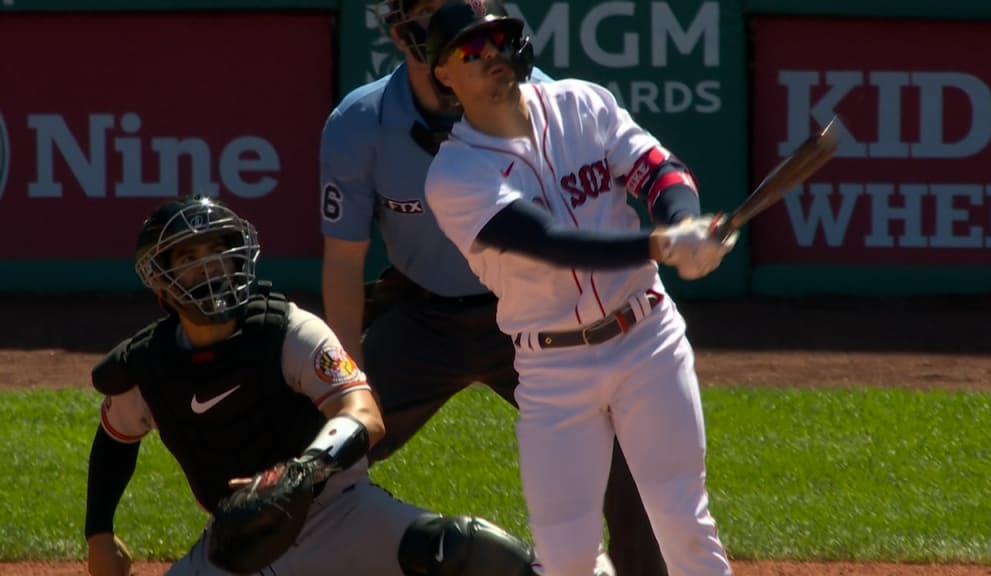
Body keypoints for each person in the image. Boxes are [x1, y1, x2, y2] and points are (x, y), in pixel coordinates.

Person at [319, 1, 663, 573]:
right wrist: (346, 388)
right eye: (427, 13)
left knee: (630, 451)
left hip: (538, 317)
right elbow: (342, 263)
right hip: (421, 318)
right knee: (321, 451)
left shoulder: (544, 101)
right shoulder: (358, 123)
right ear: (401, 33)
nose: (442, 24)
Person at [422, 1, 737, 574]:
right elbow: (548, 241)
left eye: (499, 40)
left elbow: (658, 169)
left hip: (648, 341)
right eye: (472, 48)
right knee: (565, 558)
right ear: (443, 72)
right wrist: (663, 246)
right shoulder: (455, 173)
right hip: (553, 370)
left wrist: (682, 219)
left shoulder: (581, 104)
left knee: (683, 523)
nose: (491, 55)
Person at [83, 195, 556, 576]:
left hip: (339, 511)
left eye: (218, 251)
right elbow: (114, 438)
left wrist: (302, 471)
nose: (210, 267)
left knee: (462, 551)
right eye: (189, 257)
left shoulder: (286, 330)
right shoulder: (150, 365)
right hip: (240, 543)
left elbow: (364, 415)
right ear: (161, 282)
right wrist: (99, 534)